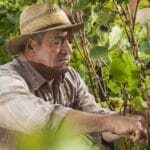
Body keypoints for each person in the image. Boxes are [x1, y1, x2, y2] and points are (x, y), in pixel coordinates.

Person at [0, 2, 147, 149]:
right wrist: (113, 122)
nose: (69, 50)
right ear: (31, 46)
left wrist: (131, 121)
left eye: (70, 41)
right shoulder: (6, 80)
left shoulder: (69, 77)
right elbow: (44, 121)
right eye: (58, 42)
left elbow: (98, 126)